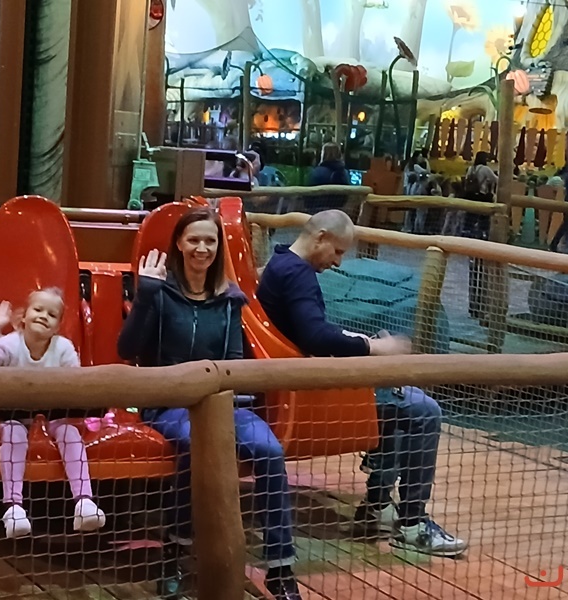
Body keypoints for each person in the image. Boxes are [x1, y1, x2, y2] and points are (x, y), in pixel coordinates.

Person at [256, 210, 467, 557]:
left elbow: (311, 331)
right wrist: (376, 347)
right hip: (304, 395)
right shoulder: (297, 274)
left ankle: (378, 503)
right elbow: (315, 336)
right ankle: (413, 524)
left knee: (397, 397)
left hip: (296, 380)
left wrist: (359, 341)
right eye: (338, 251)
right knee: (423, 410)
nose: (339, 262)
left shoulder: (280, 263)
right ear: (321, 237)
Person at [118, 207, 301, 600]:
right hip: (168, 404)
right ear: (179, 244)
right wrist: (146, 296)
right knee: (193, 442)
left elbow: (234, 361)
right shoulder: (159, 291)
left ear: (218, 248)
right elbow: (127, 349)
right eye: (194, 240)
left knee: (269, 450)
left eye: (210, 241)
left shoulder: (229, 299)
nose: (202, 248)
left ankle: (281, 567)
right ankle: (175, 550)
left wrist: (222, 394)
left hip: (223, 405)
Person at [0, 288, 107, 538]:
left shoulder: (63, 348)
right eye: (38, 309)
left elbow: (77, 383)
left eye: (51, 314)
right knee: (13, 434)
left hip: (53, 412)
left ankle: (84, 502)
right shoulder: (9, 344)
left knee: (69, 433)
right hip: (14, 412)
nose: (43, 316)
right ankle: (14, 508)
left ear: (58, 326)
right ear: (24, 315)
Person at [307, 142, 349, 214]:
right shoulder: (344, 172)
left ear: (323, 155)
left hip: (317, 210)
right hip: (339, 211)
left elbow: (308, 195)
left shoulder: (316, 172)